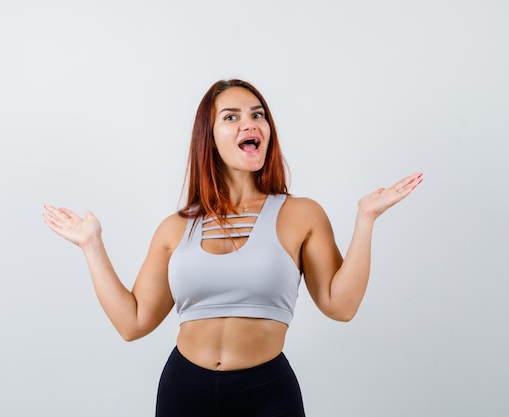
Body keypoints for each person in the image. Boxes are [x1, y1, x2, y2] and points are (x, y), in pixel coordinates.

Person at [43, 79, 423, 417]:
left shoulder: (301, 215)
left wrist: (365, 218)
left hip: (268, 395)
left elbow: (341, 306)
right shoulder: (176, 228)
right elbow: (132, 323)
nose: (250, 123)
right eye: (231, 116)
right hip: (183, 392)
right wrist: (92, 245)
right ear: (208, 137)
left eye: (258, 115)